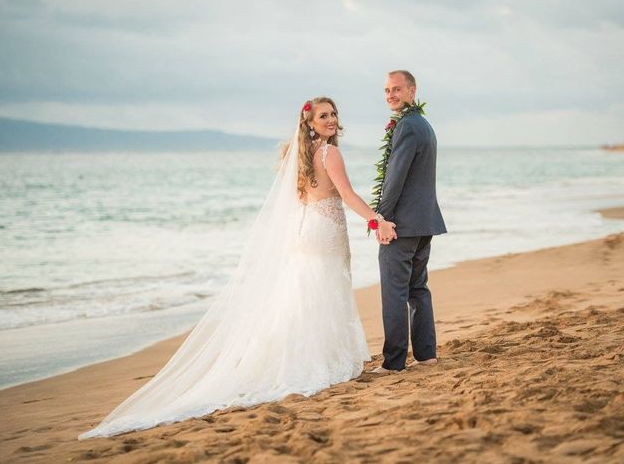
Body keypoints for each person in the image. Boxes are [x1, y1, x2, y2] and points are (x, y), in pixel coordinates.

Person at [79, 96, 393, 439]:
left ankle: (292, 356)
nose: (331, 119)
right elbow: (346, 195)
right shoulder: (328, 153)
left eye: (333, 114)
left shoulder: (297, 153)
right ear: (310, 122)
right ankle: (318, 361)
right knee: (322, 291)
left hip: (306, 230)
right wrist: (377, 220)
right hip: (325, 232)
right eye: (323, 115)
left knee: (304, 293)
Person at [372, 70, 447, 373]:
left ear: (412, 90)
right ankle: (426, 355)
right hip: (424, 221)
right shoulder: (423, 125)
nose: (391, 95)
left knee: (394, 292)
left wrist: (381, 219)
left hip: (402, 225)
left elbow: (395, 178)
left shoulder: (406, 127)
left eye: (397, 89)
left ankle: (393, 363)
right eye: (387, 90)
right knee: (417, 289)